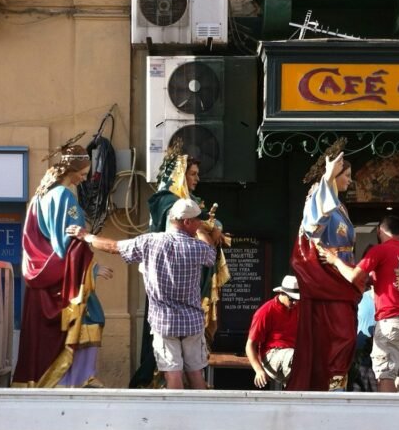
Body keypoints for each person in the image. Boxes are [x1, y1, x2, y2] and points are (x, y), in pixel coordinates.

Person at [68, 198, 216, 389]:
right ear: (186, 222)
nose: (199, 224)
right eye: (197, 220)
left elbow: (113, 247)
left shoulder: (149, 242)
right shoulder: (197, 248)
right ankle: (200, 408)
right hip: (192, 322)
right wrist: (202, 232)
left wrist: (86, 236)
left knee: (172, 373)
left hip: (164, 322)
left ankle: (176, 408)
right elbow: (211, 253)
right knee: (195, 373)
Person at [12, 143, 113, 388]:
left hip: (43, 274)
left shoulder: (39, 197)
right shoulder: (64, 196)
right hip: (64, 277)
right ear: (73, 169)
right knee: (92, 317)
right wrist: (92, 269)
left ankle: (63, 378)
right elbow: (68, 241)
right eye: (83, 173)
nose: (84, 179)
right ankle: (79, 377)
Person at [130, 147, 230, 387]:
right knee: (176, 365)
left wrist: (213, 226)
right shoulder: (169, 202)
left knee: (190, 364)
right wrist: (209, 229)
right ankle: (169, 387)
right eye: (192, 174)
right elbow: (191, 229)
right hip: (172, 288)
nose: (197, 178)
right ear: (178, 176)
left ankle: (186, 391)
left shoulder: (188, 202)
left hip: (189, 287)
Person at [287, 139, 363, 391]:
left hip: (341, 278)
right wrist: (327, 179)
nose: (349, 180)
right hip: (328, 279)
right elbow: (312, 226)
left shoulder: (339, 205)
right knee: (341, 336)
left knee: (345, 336)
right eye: (346, 175)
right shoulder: (318, 198)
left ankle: (336, 384)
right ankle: (331, 386)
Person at [321, 215, 399, 393]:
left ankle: (388, 413)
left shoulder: (380, 250)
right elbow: (389, 282)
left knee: (385, 374)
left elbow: (353, 277)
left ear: (379, 230)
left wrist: (334, 260)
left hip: (392, 320)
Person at [245, 275, 300, 388]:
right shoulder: (265, 311)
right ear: (282, 293)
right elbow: (249, 345)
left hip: (293, 353)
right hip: (272, 354)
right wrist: (258, 370)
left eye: (297, 299)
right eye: (292, 299)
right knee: (296, 358)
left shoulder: (298, 308)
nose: (295, 303)